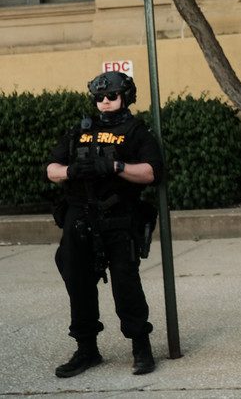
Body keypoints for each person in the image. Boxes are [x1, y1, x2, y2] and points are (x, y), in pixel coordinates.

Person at [46, 72, 163, 378]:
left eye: (111, 96)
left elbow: (151, 172)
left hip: (119, 217)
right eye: (100, 98)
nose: (105, 102)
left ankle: (141, 347)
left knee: (126, 284)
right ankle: (86, 349)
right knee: (78, 282)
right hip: (79, 217)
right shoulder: (79, 131)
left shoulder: (136, 131)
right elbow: (51, 169)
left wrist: (116, 166)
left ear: (126, 97)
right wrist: (71, 171)